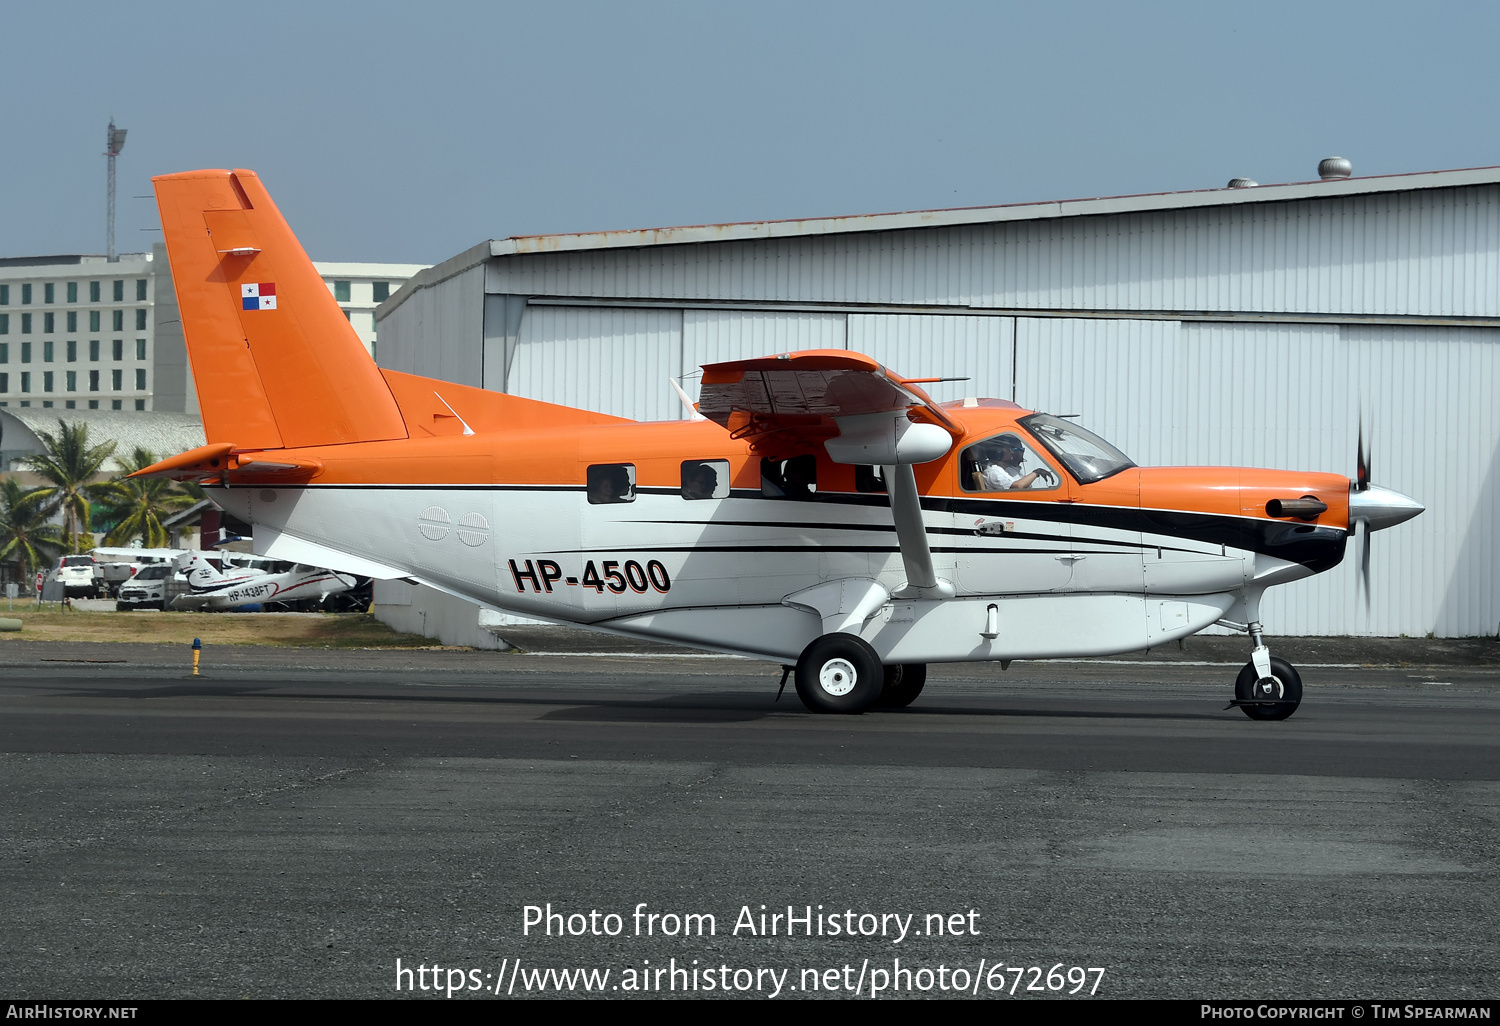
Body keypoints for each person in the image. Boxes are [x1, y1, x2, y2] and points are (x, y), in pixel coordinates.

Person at [970, 436, 1056, 491]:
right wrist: (1038, 472)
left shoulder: (1007, 469)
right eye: (1009, 450)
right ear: (998, 453)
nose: (1012, 453)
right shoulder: (993, 472)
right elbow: (1017, 487)